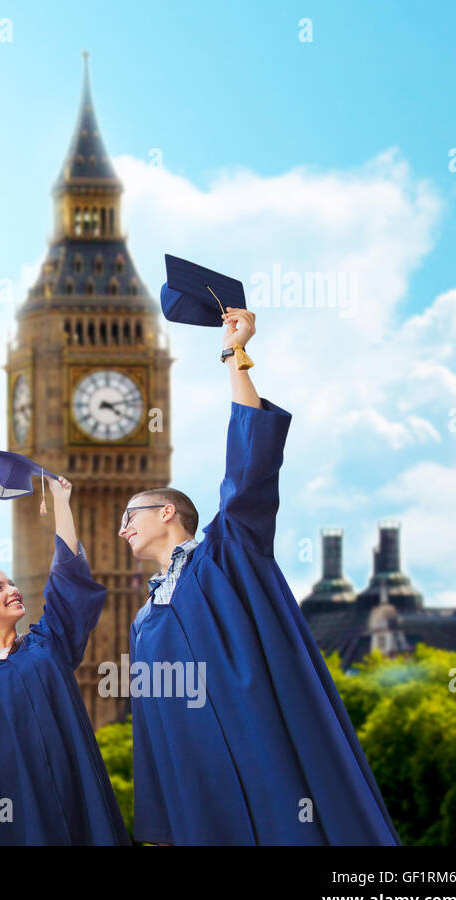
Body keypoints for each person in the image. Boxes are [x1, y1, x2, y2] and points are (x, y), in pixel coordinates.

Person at [122, 308, 400, 845]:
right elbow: (151, 729)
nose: (121, 529)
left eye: (129, 515)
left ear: (166, 513)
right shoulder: (142, 622)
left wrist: (235, 357)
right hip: (200, 784)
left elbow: (247, 473)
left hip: (261, 747)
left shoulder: (228, 556)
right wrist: (162, 817)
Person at [0, 474, 129, 845]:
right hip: (13, 811)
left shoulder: (48, 643)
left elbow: (67, 580)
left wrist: (62, 503)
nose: (13, 590)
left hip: (75, 787)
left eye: (12, 583)